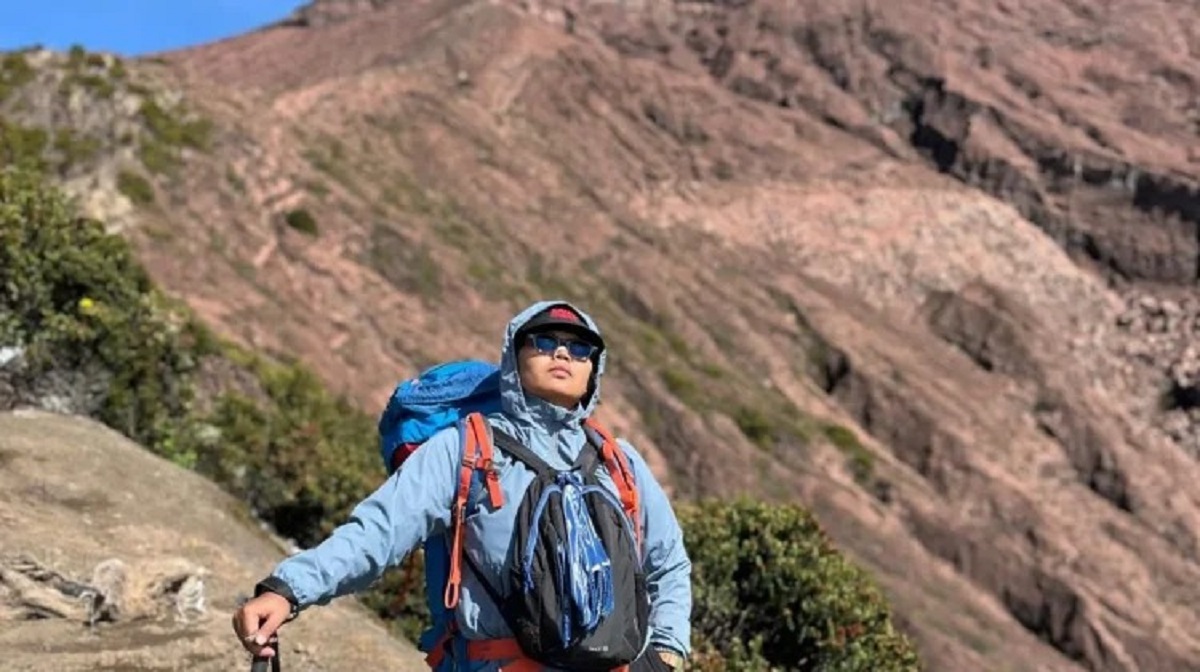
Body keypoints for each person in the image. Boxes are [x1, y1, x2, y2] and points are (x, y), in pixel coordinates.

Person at [232, 300, 692, 671]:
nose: (562, 354)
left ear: (595, 367)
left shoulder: (620, 460)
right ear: (514, 356)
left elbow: (667, 564)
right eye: (545, 341)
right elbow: (378, 532)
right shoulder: (465, 449)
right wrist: (288, 589)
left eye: (579, 348)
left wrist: (666, 652)